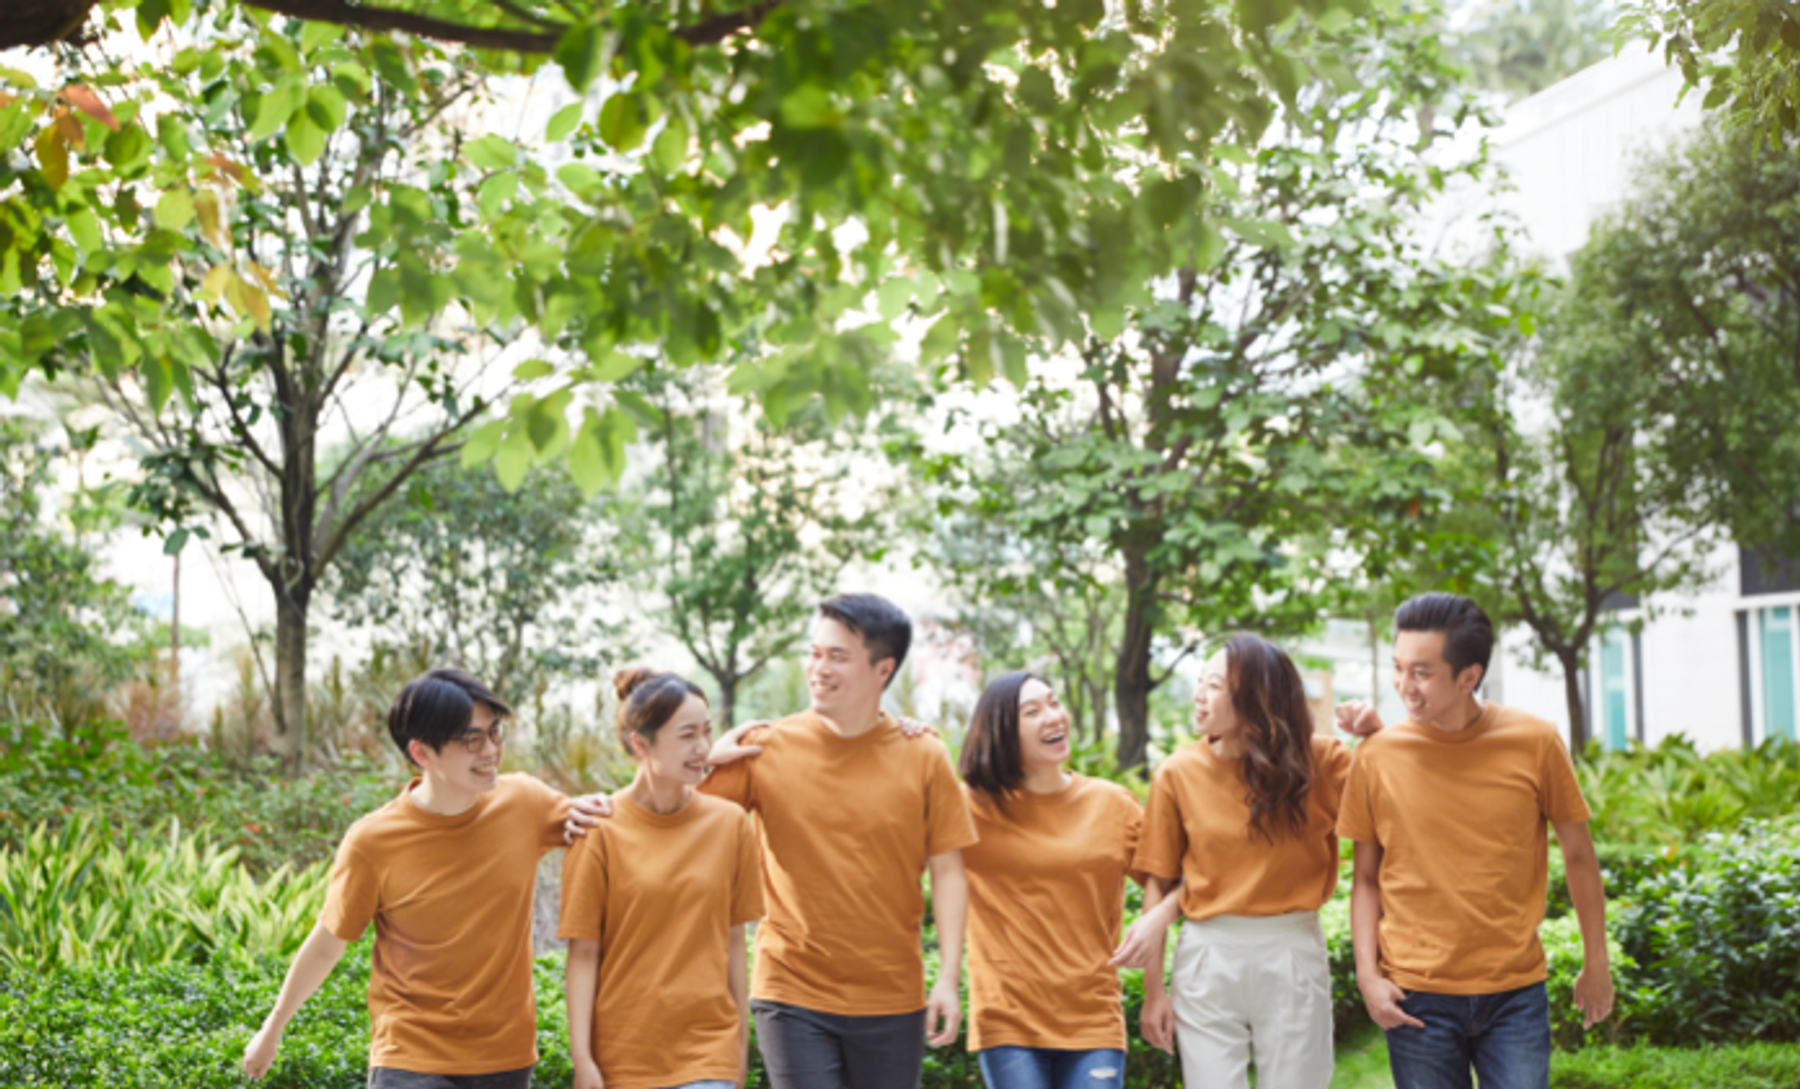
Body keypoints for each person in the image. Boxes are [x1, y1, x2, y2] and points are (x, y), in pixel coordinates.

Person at [241, 669, 604, 1088]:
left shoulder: (526, 802)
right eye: (471, 740)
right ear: (421, 753)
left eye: (494, 732)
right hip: (410, 1057)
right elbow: (327, 944)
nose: (490, 750)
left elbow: (607, 826)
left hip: (504, 1055)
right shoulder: (373, 842)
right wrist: (271, 1031)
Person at [697, 592, 978, 1089]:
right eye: (815, 653)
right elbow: (676, 823)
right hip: (791, 990)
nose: (818, 668)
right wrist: (705, 763)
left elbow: (949, 870)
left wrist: (949, 979)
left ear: (883, 670)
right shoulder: (763, 748)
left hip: (894, 996)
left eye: (837, 657)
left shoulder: (924, 755)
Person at [1335, 593, 1613, 1089]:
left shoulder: (1536, 741)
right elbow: (1365, 878)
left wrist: (1597, 965)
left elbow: (1579, 856)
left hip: (1515, 993)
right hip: (1415, 995)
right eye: (1398, 668)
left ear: (1469, 676)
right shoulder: (1375, 757)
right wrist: (1367, 977)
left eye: (1421, 673)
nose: (1403, 686)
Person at [1114, 633, 1353, 1089]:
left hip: (1292, 947)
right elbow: (1159, 882)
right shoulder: (1177, 773)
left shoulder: (1323, 762)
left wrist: (1376, 734)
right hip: (1208, 953)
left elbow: (1392, 807)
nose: (1198, 696)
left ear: (1257, 696)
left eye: (1214, 685)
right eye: (1199, 682)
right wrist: (1153, 993)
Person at [560, 668, 764, 1089]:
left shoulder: (730, 824)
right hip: (624, 1058)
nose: (704, 747)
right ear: (641, 743)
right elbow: (583, 955)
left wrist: (739, 1049)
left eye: (707, 732)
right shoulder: (599, 830)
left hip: (708, 1054)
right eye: (687, 735)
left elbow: (733, 941)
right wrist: (583, 1060)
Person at [957, 671, 1158, 1089]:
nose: (1052, 717)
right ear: (1001, 733)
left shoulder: (1111, 804)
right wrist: (893, 729)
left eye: (1053, 702)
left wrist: (1155, 924)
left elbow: (1175, 881)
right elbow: (884, 822)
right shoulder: (968, 806)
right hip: (1006, 1019)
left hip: (1093, 1019)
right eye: (1032, 711)